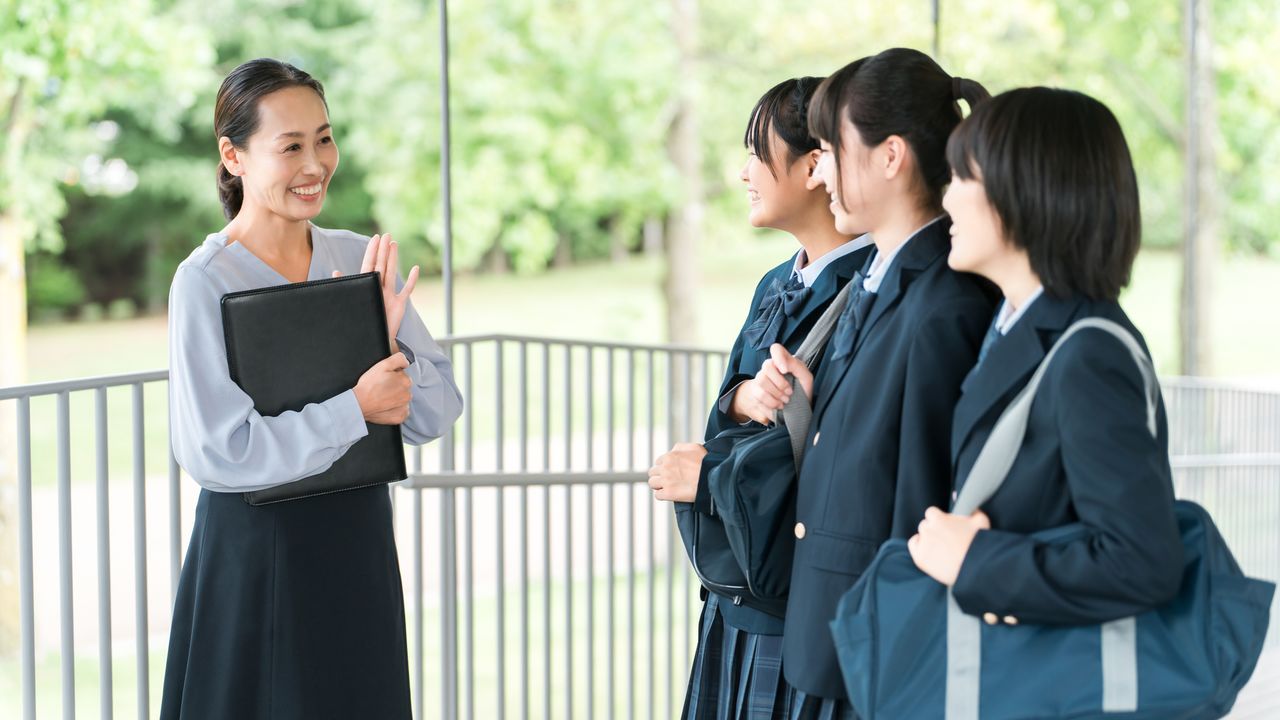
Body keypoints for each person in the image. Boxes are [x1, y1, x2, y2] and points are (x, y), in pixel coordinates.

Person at [160, 58, 463, 720]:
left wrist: (387, 347)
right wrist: (355, 408)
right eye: (290, 146)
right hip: (254, 556)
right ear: (233, 156)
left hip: (356, 544)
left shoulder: (357, 259)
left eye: (323, 139)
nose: (315, 164)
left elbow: (437, 410)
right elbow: (218, 451)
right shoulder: (205, 280)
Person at [754, 48, 998, 718]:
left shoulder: (945, 304)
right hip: (837, 630)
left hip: (877, 650)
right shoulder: (880, 276)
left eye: (833, 148)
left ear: (891, 156)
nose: (823, 169)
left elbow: (923, 495)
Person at [908, 87, 1183, 632]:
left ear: (1026, 190)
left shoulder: (1090, 355)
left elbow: (1141, 563)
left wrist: (976, 561)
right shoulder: (1018, 326)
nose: (946, 199)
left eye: (962, 178)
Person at [647, 76, 873, 720]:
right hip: (737, 587)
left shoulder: (875, 286)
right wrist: (746, 397)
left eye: (757, 152)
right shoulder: (776, 282)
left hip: (799, 593)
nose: (744, 172)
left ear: (814, 165)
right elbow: (727, 417)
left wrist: (715, 468)